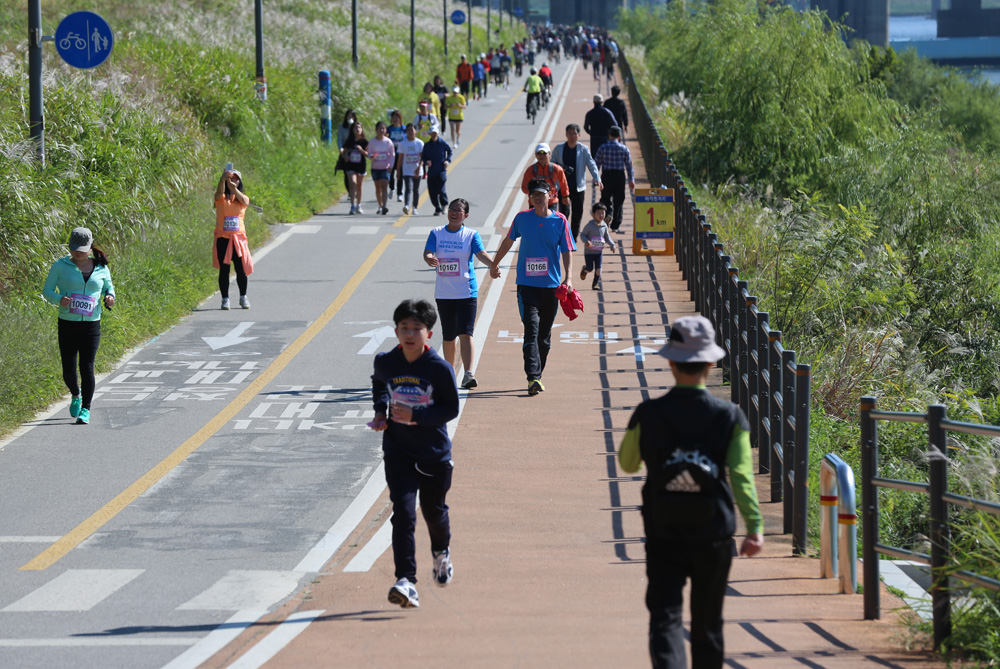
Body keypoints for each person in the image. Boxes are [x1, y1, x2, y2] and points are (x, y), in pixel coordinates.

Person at [617, 315, 764, 669]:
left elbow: (628, 463)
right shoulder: (730, 416)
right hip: (713, 533)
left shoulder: (648, 413)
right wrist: (755, 527)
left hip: (663, 529)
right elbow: (741, 475)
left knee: (665, 617)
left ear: (671, 362)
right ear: (710, 364)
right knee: (708, 624)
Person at [371, 299, 460, 609]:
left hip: (434, 454)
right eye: (404, 328)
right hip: (398, 451)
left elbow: (451, 408)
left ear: (429, 334)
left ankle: (441, 553)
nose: (410, 334)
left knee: (434, 513)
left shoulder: (439, 369)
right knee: (403, 513)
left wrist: (416, 416)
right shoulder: (386, 362)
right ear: (396, 331)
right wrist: (380, 411)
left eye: (416, 328)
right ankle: (406, 581)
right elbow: (379, 383)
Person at [489, 178, 575, 396]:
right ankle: (533, 377)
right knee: (531, 330)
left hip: (551, 287)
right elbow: (508, 241)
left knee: (543, 338)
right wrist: (495, 263)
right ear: (529, 198)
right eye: (533, 194)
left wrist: (568, 278)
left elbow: (567, 250)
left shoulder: (560, 221)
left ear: (550, 195)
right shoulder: (522, 218)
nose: (537, 197)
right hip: (527, 286)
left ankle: (537, 375)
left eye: (541, 194)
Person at [42, 227, 116, 426]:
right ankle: (76, 394)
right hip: (67, 323)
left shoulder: (100, 267)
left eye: (82, 250)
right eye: (74, 249)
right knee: (68, 370)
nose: (78, 253)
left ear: (90, 248)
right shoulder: (60, 266)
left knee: (87, 366)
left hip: (91, 324)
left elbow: (109, 287)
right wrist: (59, 299)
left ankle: (86, 409)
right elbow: (47, 290)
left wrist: (110, 297)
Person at [422, 198, 495, 389]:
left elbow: (480, 253)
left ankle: (468, 374)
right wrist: (429, 258)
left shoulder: (471, 235)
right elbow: (428, 251)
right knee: (449, 335)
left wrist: (493, 265)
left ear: (466, 215)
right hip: (444, 293)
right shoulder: (437, 233)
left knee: (465, 332)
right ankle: (450, 373)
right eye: (451, 209)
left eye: (458, 210)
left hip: (466, 291)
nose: (453, 213)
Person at [212, 167, 254, 309]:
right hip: (223, 238)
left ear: (240, 182)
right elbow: (218, 193)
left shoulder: (242, 199)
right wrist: (222, 180)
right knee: (224, 270)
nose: (233, 180)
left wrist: (234, 189)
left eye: (236, 179)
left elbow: (245, 201)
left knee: (240, 269)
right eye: (231, 178)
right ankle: (225, 299)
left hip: (238, 240)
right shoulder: (221, 198)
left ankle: (243, 297)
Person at [551, 123, 602, 241]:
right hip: (563, 187)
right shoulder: (559, 148)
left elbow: (591, 163)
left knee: (577, 214)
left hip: (578, 187)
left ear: (579, 135)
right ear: (566, 135)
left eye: (574, 133)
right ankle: (563, 237)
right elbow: (552, 163)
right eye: (570, 133)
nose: (572, 136)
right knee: (564, 213)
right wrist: (560, 168)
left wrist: (597, 178)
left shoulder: (583, 149)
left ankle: (573, 238)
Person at [595, 126, 635, 233]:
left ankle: (607, 214)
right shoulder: (624, 148)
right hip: (619, 176)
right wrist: (631, 179)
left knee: (605, 198)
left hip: (606, 175)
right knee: (619, 200)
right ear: (619, 136)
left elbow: (596, 163)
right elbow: (629, 166)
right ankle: (615, 224)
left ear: (609, 135)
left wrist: (596, 178)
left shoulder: (603, 147)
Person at [519, 142, 569, 213]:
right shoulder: (530, 170)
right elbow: (524, 188)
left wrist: (565, 196)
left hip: (551, 202)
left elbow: (563, 184)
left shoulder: (557, 169)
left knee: (550, 219)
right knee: (535, 220)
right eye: (539, 153)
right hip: (535, 203)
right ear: (536, 155)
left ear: (549, 154)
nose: (541, 156)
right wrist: (535, 193)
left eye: (544, 153)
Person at [578, 202, 614, 291]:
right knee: (590, 268)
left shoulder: (604, 226)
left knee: (599, 269)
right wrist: (586, 241)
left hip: (598, 252)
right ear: (593, 214)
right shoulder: (590, 225)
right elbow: (582, 235)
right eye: (598, 213)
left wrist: (612, 245)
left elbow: (607, 237)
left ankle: (595, 283)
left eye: (603, 213)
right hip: (589, 252)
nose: (601, 215)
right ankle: (585, 270)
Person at [421, 128, 453, 216]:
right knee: (432, 191)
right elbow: (423, 157)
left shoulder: (442, 143)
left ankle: (444, 204)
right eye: (432, 133)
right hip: (431, 172)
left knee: (441, 189)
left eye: (435, 133)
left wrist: (447, 160)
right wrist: (427, 161)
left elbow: (450, 151)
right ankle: (437, 208)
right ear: (430, 134)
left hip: (441, 171)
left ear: (438, 134)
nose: (434, 135)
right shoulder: (427, 145)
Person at [340, 121, 369, 215]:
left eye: (359, 127)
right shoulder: (349, 141)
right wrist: (345, 156)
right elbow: (343, 151)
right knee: (353, 183)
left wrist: (361, 150)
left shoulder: (364, 141)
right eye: (355, 127)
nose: (357, 129)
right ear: (352, 130)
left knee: (359, 186)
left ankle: (359, 205)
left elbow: (368, 154)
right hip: (350, 165)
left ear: (362, 129)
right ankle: (352, 205)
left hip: (361, 166)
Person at [368, 121, 395, 216]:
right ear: (376, 130)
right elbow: (369, 153)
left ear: (386, 130)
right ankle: (380, 205)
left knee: (384, 186)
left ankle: (384, 206)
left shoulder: (388, 142)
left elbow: (392, 155)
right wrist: (372, 156)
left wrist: (391, 166)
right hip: (375, 168)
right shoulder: (372, 142)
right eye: (380, 128)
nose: (381, 130)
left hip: (385, 168)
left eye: (383, 128)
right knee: (378, 188)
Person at [398, 123, 424, 216]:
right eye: (408, 130)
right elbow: (400, 158)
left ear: (415, 131)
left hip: (417, 170)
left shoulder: (420, 143)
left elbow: (422, 158)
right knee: (408, 188)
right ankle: (407, 206)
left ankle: (415, 207)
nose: (410, 132)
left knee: (416, 190)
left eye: (412, 130)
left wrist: (419, 168)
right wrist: (398, 171)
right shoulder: (403, 144)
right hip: (407, 170)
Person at [584, 94, 618, 158]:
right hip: (605, 136)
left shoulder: (590, 113)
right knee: (605, 156)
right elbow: (615, 124)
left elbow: (586, 127)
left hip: (594, 137)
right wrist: (609, 132)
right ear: (602, 102)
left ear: (593, 102)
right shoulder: (607, 112)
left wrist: (591, 133)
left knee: (595, 157)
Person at [387, 110, 407, 203]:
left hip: (401, 155)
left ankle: (400, 193)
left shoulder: (404, 129)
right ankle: (392, 188)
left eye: (397, 117)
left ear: (400, 118)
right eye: (394, 117)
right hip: (391, 155)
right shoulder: (389, 129)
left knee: (400, 174)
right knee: (390, 174)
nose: (395, 119)